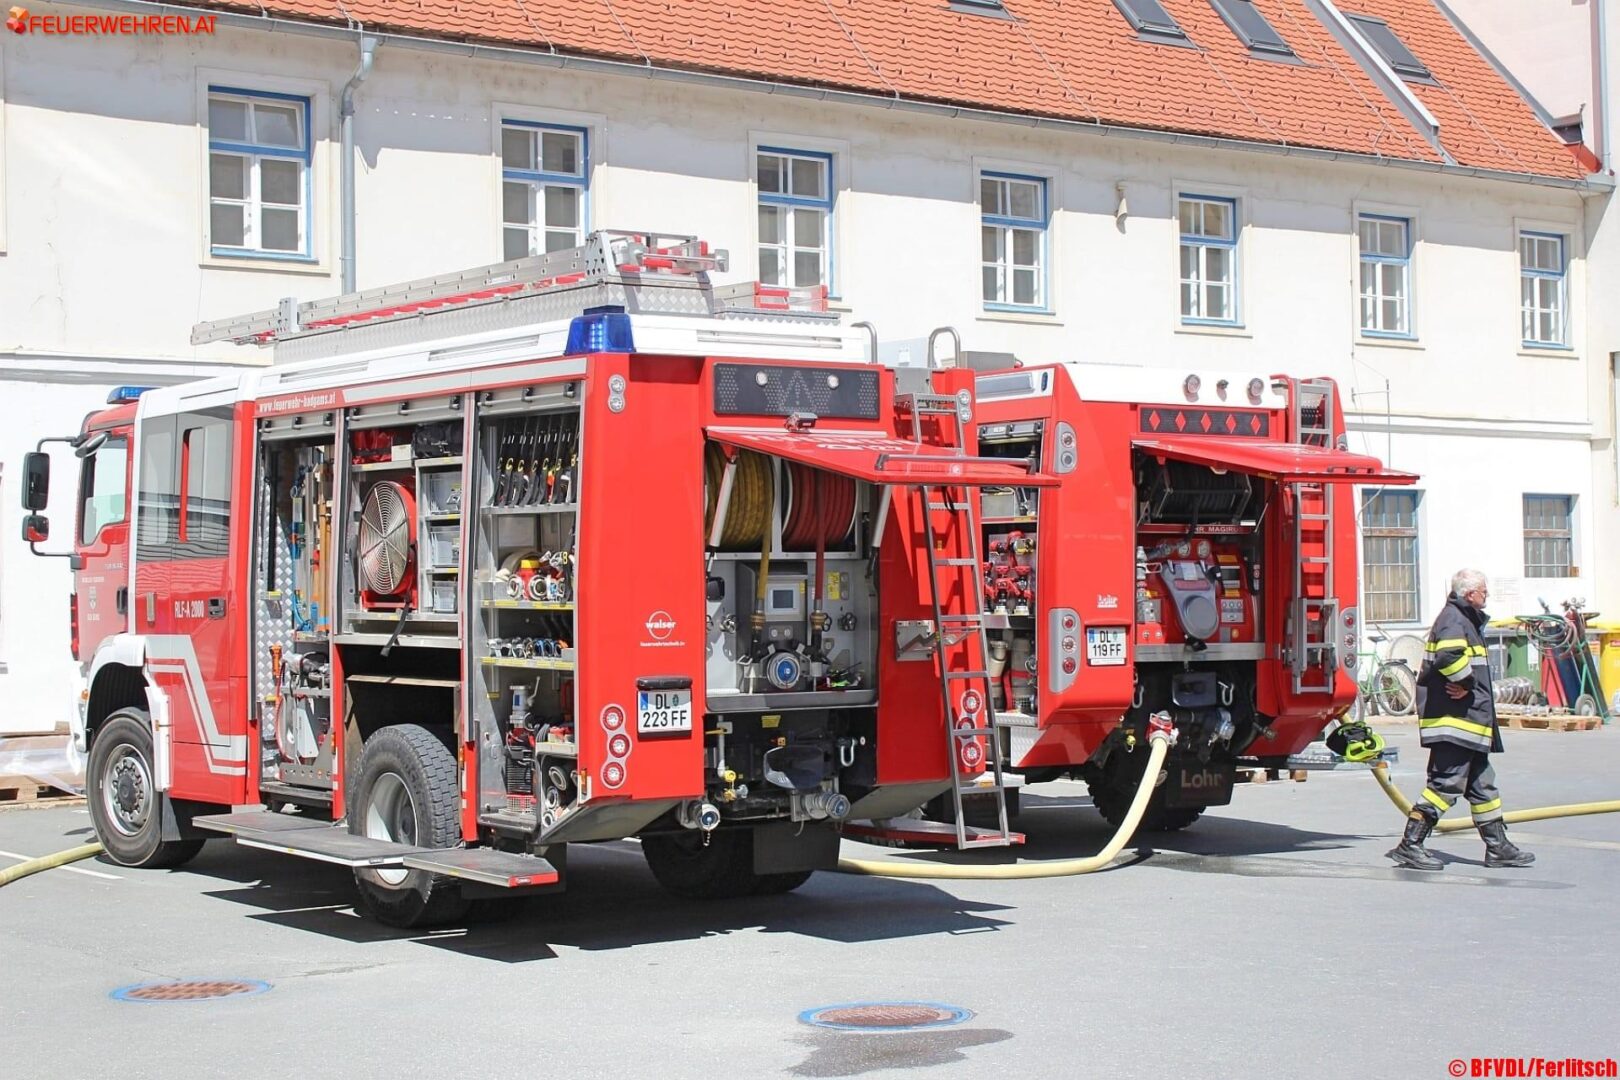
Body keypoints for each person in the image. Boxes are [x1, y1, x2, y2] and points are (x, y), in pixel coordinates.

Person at [1387, 569, 1535, 871]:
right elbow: (1449, 656)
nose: (1487, 595)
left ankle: (1498, 848)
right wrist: (1466, 683)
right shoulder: (1454, 619)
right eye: (1483, 590)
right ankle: (1410, 844)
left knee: (1483, 788)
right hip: (1456, 722)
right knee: (1446, 784)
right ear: (1470, 594)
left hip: (1469, 721)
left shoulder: (1463, 618)